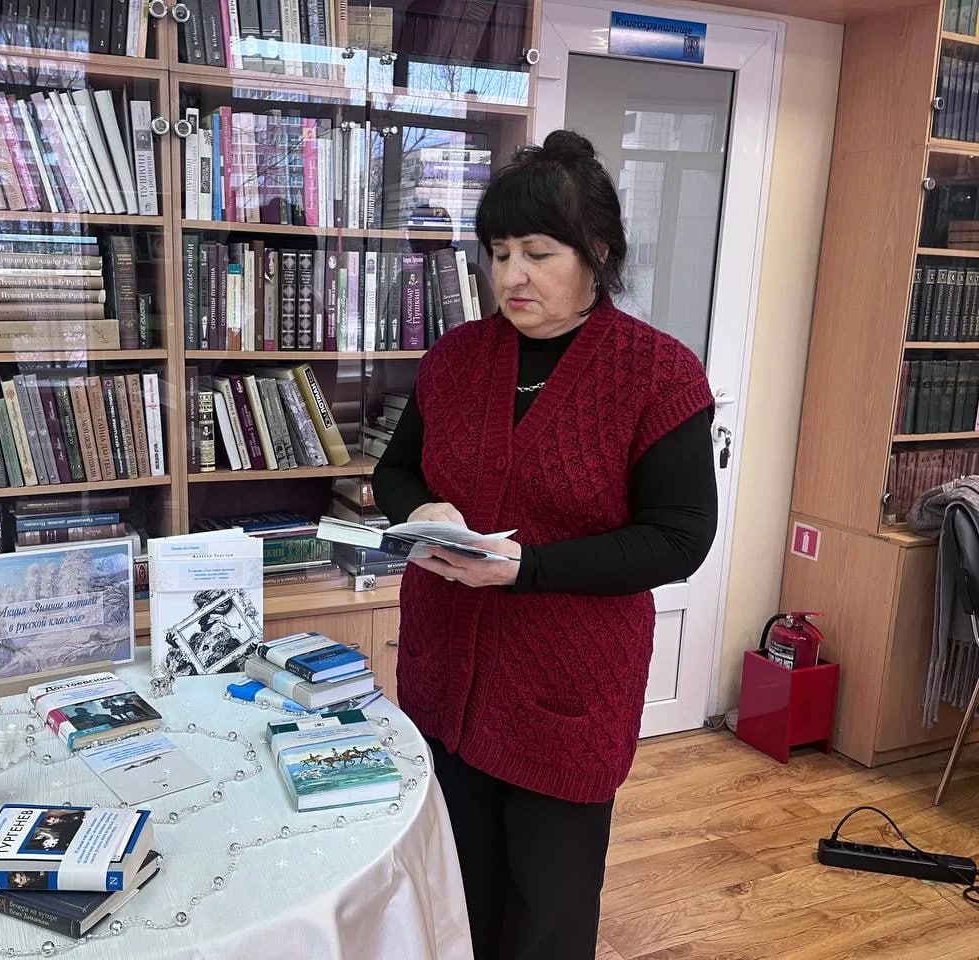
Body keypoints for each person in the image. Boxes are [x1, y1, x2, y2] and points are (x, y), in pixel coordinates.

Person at [371, 129, 719, 960]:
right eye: (498, 253)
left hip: (566, 694)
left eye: (537, 253)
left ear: (597, 254)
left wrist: (527, 569)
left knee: (548, 919)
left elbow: (678, 540)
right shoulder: (457, 357)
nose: (511, 276)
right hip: (444, 676)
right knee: (458, 900)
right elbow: (394, 472)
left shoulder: (657, 375)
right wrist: (426, 507)